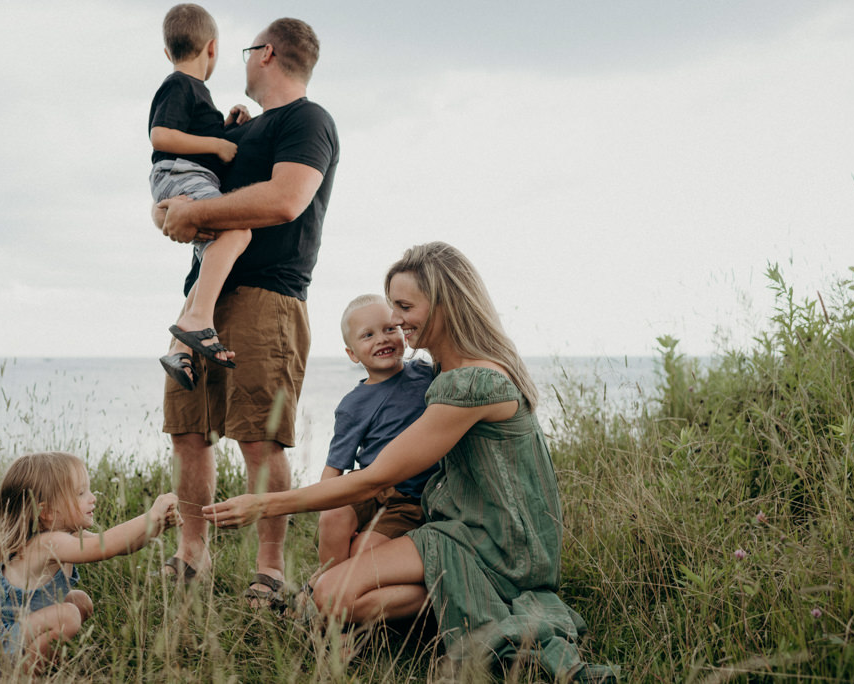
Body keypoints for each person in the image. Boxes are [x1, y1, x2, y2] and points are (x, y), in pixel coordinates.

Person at [202, 243, 615, 681]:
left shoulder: (473, 383)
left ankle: (475, 604)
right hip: (460, 528)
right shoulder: (445, 373)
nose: (395, 321)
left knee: (327, 593)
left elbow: (376, 476)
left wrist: (262, 503)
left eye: (404, 306)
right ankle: (449, 605)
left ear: (444, 303)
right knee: (343, 602)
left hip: (495, 542)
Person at [154, 17, 339, 610]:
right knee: (188, 432)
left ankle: (270, 570)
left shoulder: (308, 120)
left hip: (267, 297)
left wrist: (201, 216)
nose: (238, 61)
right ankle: (192, 555)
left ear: (266, 53)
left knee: (259, 438)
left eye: (246, 50)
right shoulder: (243, 126)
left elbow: (286, 200)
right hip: (202, 298)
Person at [0, 452, 180, 674]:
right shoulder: (46, 543)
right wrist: (151, 515)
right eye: (81, 493)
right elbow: (105, 545)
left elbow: (121, 547)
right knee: (68, 615)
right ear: (48, 512)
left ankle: (39, 663)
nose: (92, 498)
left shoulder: (67, 537)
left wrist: (156, 526)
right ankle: (23, 677)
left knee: (80, 602)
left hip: (12, 636)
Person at [149, 3, 252, 389]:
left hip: (186, 173)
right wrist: (217, 143)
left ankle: (180, 347)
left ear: (167, 49)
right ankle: (197, 320)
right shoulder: (179, 84)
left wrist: (225, 126)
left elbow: (187, 134)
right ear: (212, 48)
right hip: (180, 174)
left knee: (211, 254)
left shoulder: (196, 94)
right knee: (238, 232)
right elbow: (161, 136)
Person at [316, 294, 437, 576]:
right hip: (368, 488)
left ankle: (346, 596)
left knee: (364, 551)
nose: (382, 339)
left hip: (409, 498)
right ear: (352, 354)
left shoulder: (426, 374)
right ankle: (323, 588)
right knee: (333, 518)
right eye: (368, 335)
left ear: (404, 334)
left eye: (389, 329)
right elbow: (335, 467)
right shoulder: (352, 406)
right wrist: (320, 506)